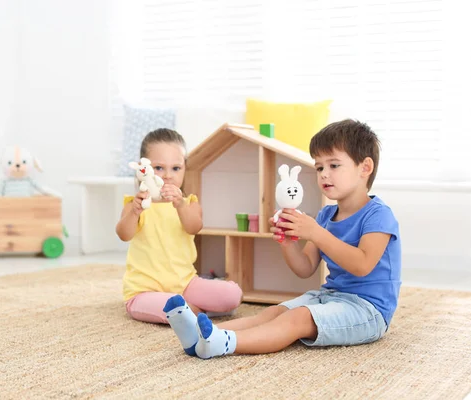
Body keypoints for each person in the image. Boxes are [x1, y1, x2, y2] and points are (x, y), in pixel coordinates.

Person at [163, 119, 401, 359]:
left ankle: (225, 343)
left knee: (298, 318)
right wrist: (287, 242)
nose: (324, 175)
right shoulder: (326, 215)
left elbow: (362, 265)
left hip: (368, 310)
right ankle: (198, 335)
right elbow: (304, 267)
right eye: (319, 168)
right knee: (273, 313)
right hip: (330, 297)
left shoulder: (378, 215)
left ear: (365, 168)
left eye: (334, 165)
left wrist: (315, 232)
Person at [116, 128, 243, 356]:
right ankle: (194, 313)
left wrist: (181, 205)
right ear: (143, 168)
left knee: (232, 294)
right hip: (143, 291)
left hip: (186, 284)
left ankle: (193, 312)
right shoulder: (135, 204)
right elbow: (124, 234)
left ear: (185, 168)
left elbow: (194, 226)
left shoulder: (189, 203)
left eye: (176, 168)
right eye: (158, 168)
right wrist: (134, 211)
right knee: (177, 307)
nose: (167, 175)